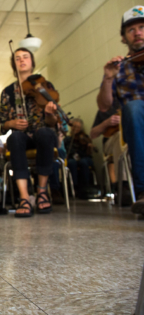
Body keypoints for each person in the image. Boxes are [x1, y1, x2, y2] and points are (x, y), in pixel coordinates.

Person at [0, 48, 58, 217]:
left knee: (46, 133)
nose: (22, 60)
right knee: (15, 137)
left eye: (25, 57)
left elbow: (53, 123)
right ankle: (24, 196)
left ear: (32, 62)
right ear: (13, 64)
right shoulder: (8, 92)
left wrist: (49, 114)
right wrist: (12, 123)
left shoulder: (45, 86)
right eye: (17, 58)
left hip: (41, 133)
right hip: (21, 137)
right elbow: (2, 122)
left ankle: (42, 191)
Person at [96, 5, 144, 214]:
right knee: (133, 108)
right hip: (136, 121)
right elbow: (104, 105)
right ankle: (143, 191)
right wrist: (108, 77)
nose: (138, 33)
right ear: (124, 37)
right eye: (131, 30)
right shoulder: (119, 68)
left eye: (142, 27)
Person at [90, 103, 131, 205]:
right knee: (119, 136)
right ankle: (123, 186)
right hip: (111, 142)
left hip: (132, 140)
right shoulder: (105, 110)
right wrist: (106, 123)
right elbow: (92, 134)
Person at [64, 118, 95, 197]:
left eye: (78, 127)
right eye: (74, 126)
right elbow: (65, 151)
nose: (75, 129)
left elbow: (89, 153)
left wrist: (89, 147)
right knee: (71, 162)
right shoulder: (68, 139)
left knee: (83, 162)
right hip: (72, 158)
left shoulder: (84, 137)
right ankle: (74, 187)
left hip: (84, 157)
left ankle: (85, 186)